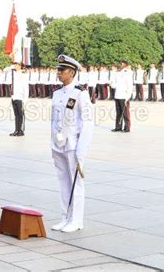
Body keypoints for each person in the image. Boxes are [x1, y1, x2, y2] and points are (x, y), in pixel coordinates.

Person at [50, 54, 93, 233]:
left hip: (73, 145)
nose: (58, 73)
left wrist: (81, 150)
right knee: (63, 182)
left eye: (62, 70)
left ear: (72, 72)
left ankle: (76, 220)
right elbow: (54, 121)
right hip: (58, 144)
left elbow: (88, 122)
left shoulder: (80, 93)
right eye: (58, 70)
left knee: (76, 183)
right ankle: (65, 217)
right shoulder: (57, 93)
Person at [5, 62, 29, 136]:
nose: (15, 66)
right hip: (14, 96)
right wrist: (11, 66)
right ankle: (16, 130)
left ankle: (21, 131)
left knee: (20, 115)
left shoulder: (24, 74)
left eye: (16, 65)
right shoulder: (13, 73)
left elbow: (26, 87)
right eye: (14, 65)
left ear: (20, 66)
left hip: (20, 97)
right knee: (16, 115)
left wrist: (25, 100)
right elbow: (4, 70)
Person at [112, 60, 133, 133]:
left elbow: (130, 86)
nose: (120, 65)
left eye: (122, 64)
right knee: (118, 112)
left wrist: (128, 96)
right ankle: (118, 127)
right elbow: (115, 83)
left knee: (125, 113)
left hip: (124, 95)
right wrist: (112, 84)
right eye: (120, 64)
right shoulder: (117, 72)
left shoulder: (127, 73)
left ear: (125, 65)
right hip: (117, 95)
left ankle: (127, 127)